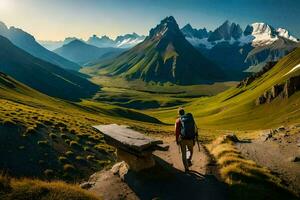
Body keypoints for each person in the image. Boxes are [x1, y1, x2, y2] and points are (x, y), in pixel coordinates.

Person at [175, 107, 198, 172]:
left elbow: (176, 132)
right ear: (184, 112)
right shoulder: (190, 119)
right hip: (190, 139)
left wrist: (177, 140)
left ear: (178, 113)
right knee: (191, 151)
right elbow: (195, 129)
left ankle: (186, 168)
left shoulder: (178, 120)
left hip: (182, 139)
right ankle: (189, 159)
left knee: (183, 154)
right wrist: (194, 138)